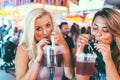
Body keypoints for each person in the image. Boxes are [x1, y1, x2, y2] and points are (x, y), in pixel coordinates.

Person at [15, 8, 73, 80]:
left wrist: (64, 46)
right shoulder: (24, 48)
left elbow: (70, 75)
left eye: (48, 25)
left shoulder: (58, 45)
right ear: (31, 30)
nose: (45, 32)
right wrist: (38, 58)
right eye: (38, 28)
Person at [76, 8, 120, 80]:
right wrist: (80, 52)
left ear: (115, 34)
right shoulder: (89, 47)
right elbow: (82, 79)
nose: (98, 34)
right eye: (95, 28)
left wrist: (108, 60)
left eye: (105, 30)